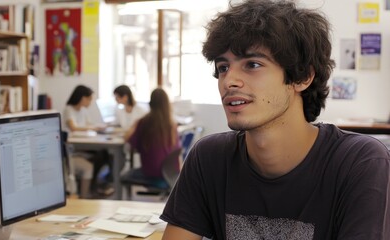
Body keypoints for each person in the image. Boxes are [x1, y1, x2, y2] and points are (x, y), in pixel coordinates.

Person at [160, 0, 390, 239]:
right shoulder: (208, 158)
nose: (229, 81)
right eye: (223, 67)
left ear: (302, 77)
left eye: (253, 64)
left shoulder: (360, 163)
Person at [124, 88, 180, 185]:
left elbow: (129, 140)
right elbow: (177, 150)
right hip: (171, 172)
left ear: (150, 103)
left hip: (151, 172)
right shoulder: (172, 124)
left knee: (124, 175)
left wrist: (134, 124)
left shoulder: (144, 122)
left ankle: (126, 199)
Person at [63, 84, 109, 198]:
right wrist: (92, 128)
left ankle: (95, 187)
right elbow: (73, 127)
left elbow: (90, 124)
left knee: (104, 154)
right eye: (89, 99)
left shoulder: (83, 110)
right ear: (82, 98)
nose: (90, 102)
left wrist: (98, 126)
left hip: (84, 145)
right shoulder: (69, 109)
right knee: (99, 156)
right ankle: (91, 189)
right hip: (73, 148)